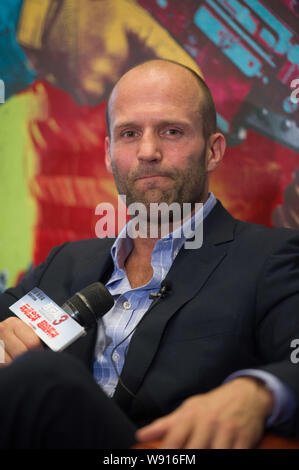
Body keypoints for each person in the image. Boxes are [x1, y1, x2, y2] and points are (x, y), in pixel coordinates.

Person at [0, 59, 299, 449]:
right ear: (109, 154)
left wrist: (257, 392)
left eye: (171, 131)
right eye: (129, 133)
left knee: (41, 377)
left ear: (213, 150)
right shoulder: (66, 262)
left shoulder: (270, 257)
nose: (147, 151)